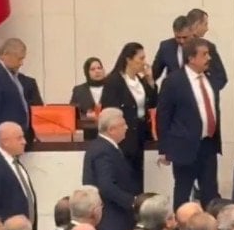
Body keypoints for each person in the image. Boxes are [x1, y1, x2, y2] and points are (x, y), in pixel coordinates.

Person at [156, 37, 222, 205]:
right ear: (191, 58)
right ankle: (181, 220)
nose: (209, 58)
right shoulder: (174, 81)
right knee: (183, 190)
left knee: (210, 191)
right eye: (204, 54)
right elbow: (163, 116)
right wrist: (164, 149)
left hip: (208, 144)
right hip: (184, 145)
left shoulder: (210, 78)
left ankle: (210, 220)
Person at [82, 108, 141, 230]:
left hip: (114, 221)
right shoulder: (103, 150)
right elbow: (106, 186)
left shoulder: (105, 147)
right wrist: (132, 201)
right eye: (123, 124)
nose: (127, 127)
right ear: (111, 129)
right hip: (111, 222)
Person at [99, 42, 158, 185]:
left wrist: (150, 81)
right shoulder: (114, 81)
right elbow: (110, 109)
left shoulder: (140, 81)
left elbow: (153, 103)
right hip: (123, 136)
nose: (144, 62)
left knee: (138, 176)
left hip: (140, 134)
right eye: (141, 58)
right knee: (124, 177)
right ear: (129, 59)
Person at [0, 38, 35, 154]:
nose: (21, 63)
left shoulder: (9, 75)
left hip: (12, 142)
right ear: (6, 54)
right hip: (3, 145)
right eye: (19, 59)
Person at [69, 56, 106, 141]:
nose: (97, 71)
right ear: (87, 72)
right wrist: (87, 116)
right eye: (92, 69)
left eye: (99, 68)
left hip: (108, 132)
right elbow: (73, 113)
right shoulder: (79, 90)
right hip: (87, 134)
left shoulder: (111, 88)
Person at [151, 15, 194, 86]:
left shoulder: (202, 47)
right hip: (172, 89)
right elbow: (154, 73)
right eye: (178, 37)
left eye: (185, 37)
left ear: (191, 32)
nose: (181, 41)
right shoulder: (166, 47)